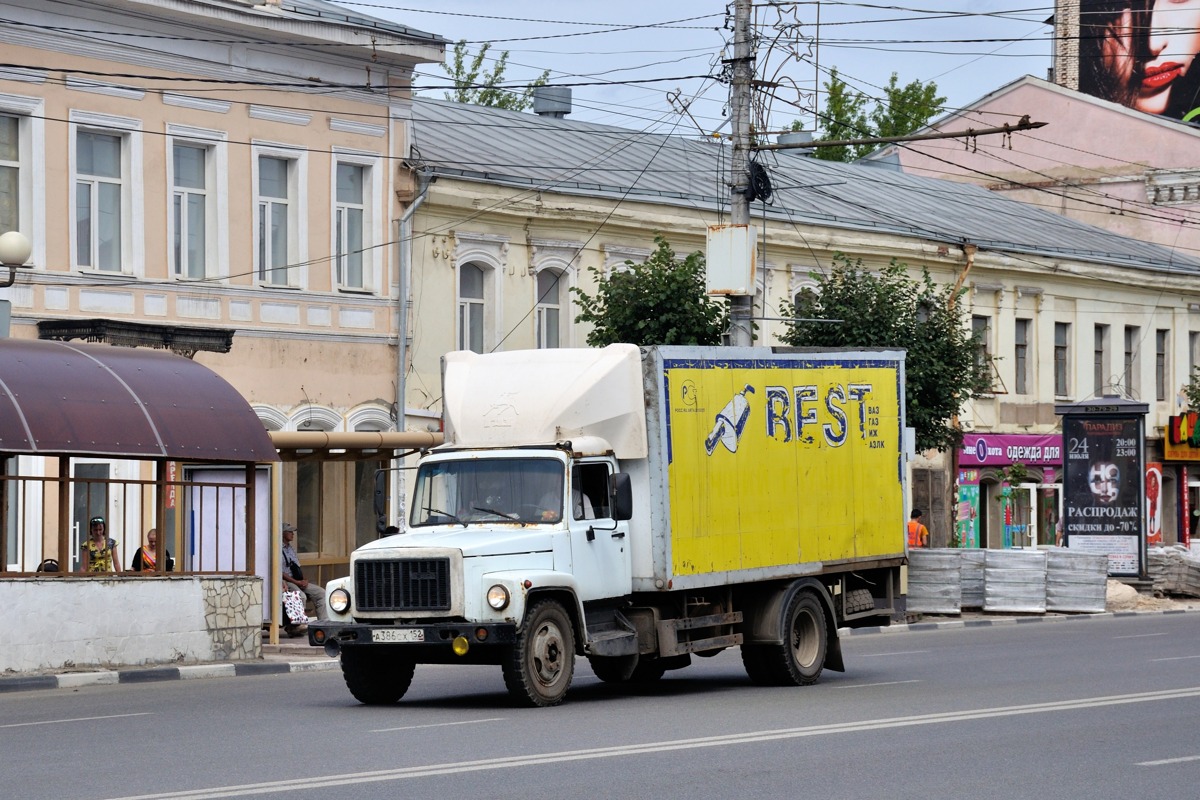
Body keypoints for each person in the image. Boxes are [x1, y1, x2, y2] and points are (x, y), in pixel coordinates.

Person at [281, 523, 327, 620]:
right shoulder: (278, 549)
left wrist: (304, 580)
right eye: (290, 532)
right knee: (300, 596)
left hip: (298, 580)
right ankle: (297, 625)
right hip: (286, 582)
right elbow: (280, 572)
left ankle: (323, 622)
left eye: (293, 532)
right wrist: (296, 582)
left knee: (321, 593)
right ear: (282, 533)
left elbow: (297, 566)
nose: (292, 534)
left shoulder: (290, 548)